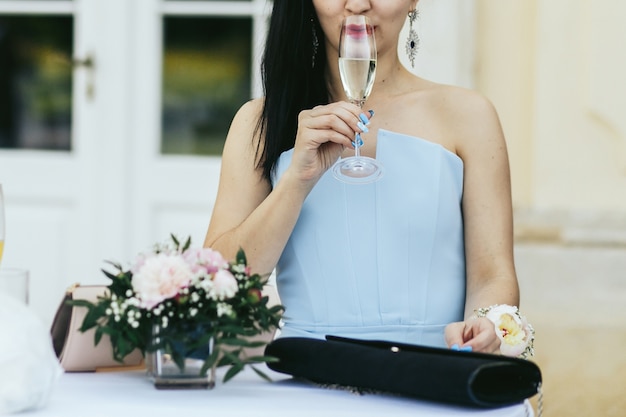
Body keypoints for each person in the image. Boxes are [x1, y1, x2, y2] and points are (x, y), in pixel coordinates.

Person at [204, 0, 523, 356]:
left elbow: (493, 274)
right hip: (310, 377)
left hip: (434, 375)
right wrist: (296, 181)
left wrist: (488, 324)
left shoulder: (468, 115)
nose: (357, 4)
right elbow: (218, 280)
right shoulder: (259, 123)